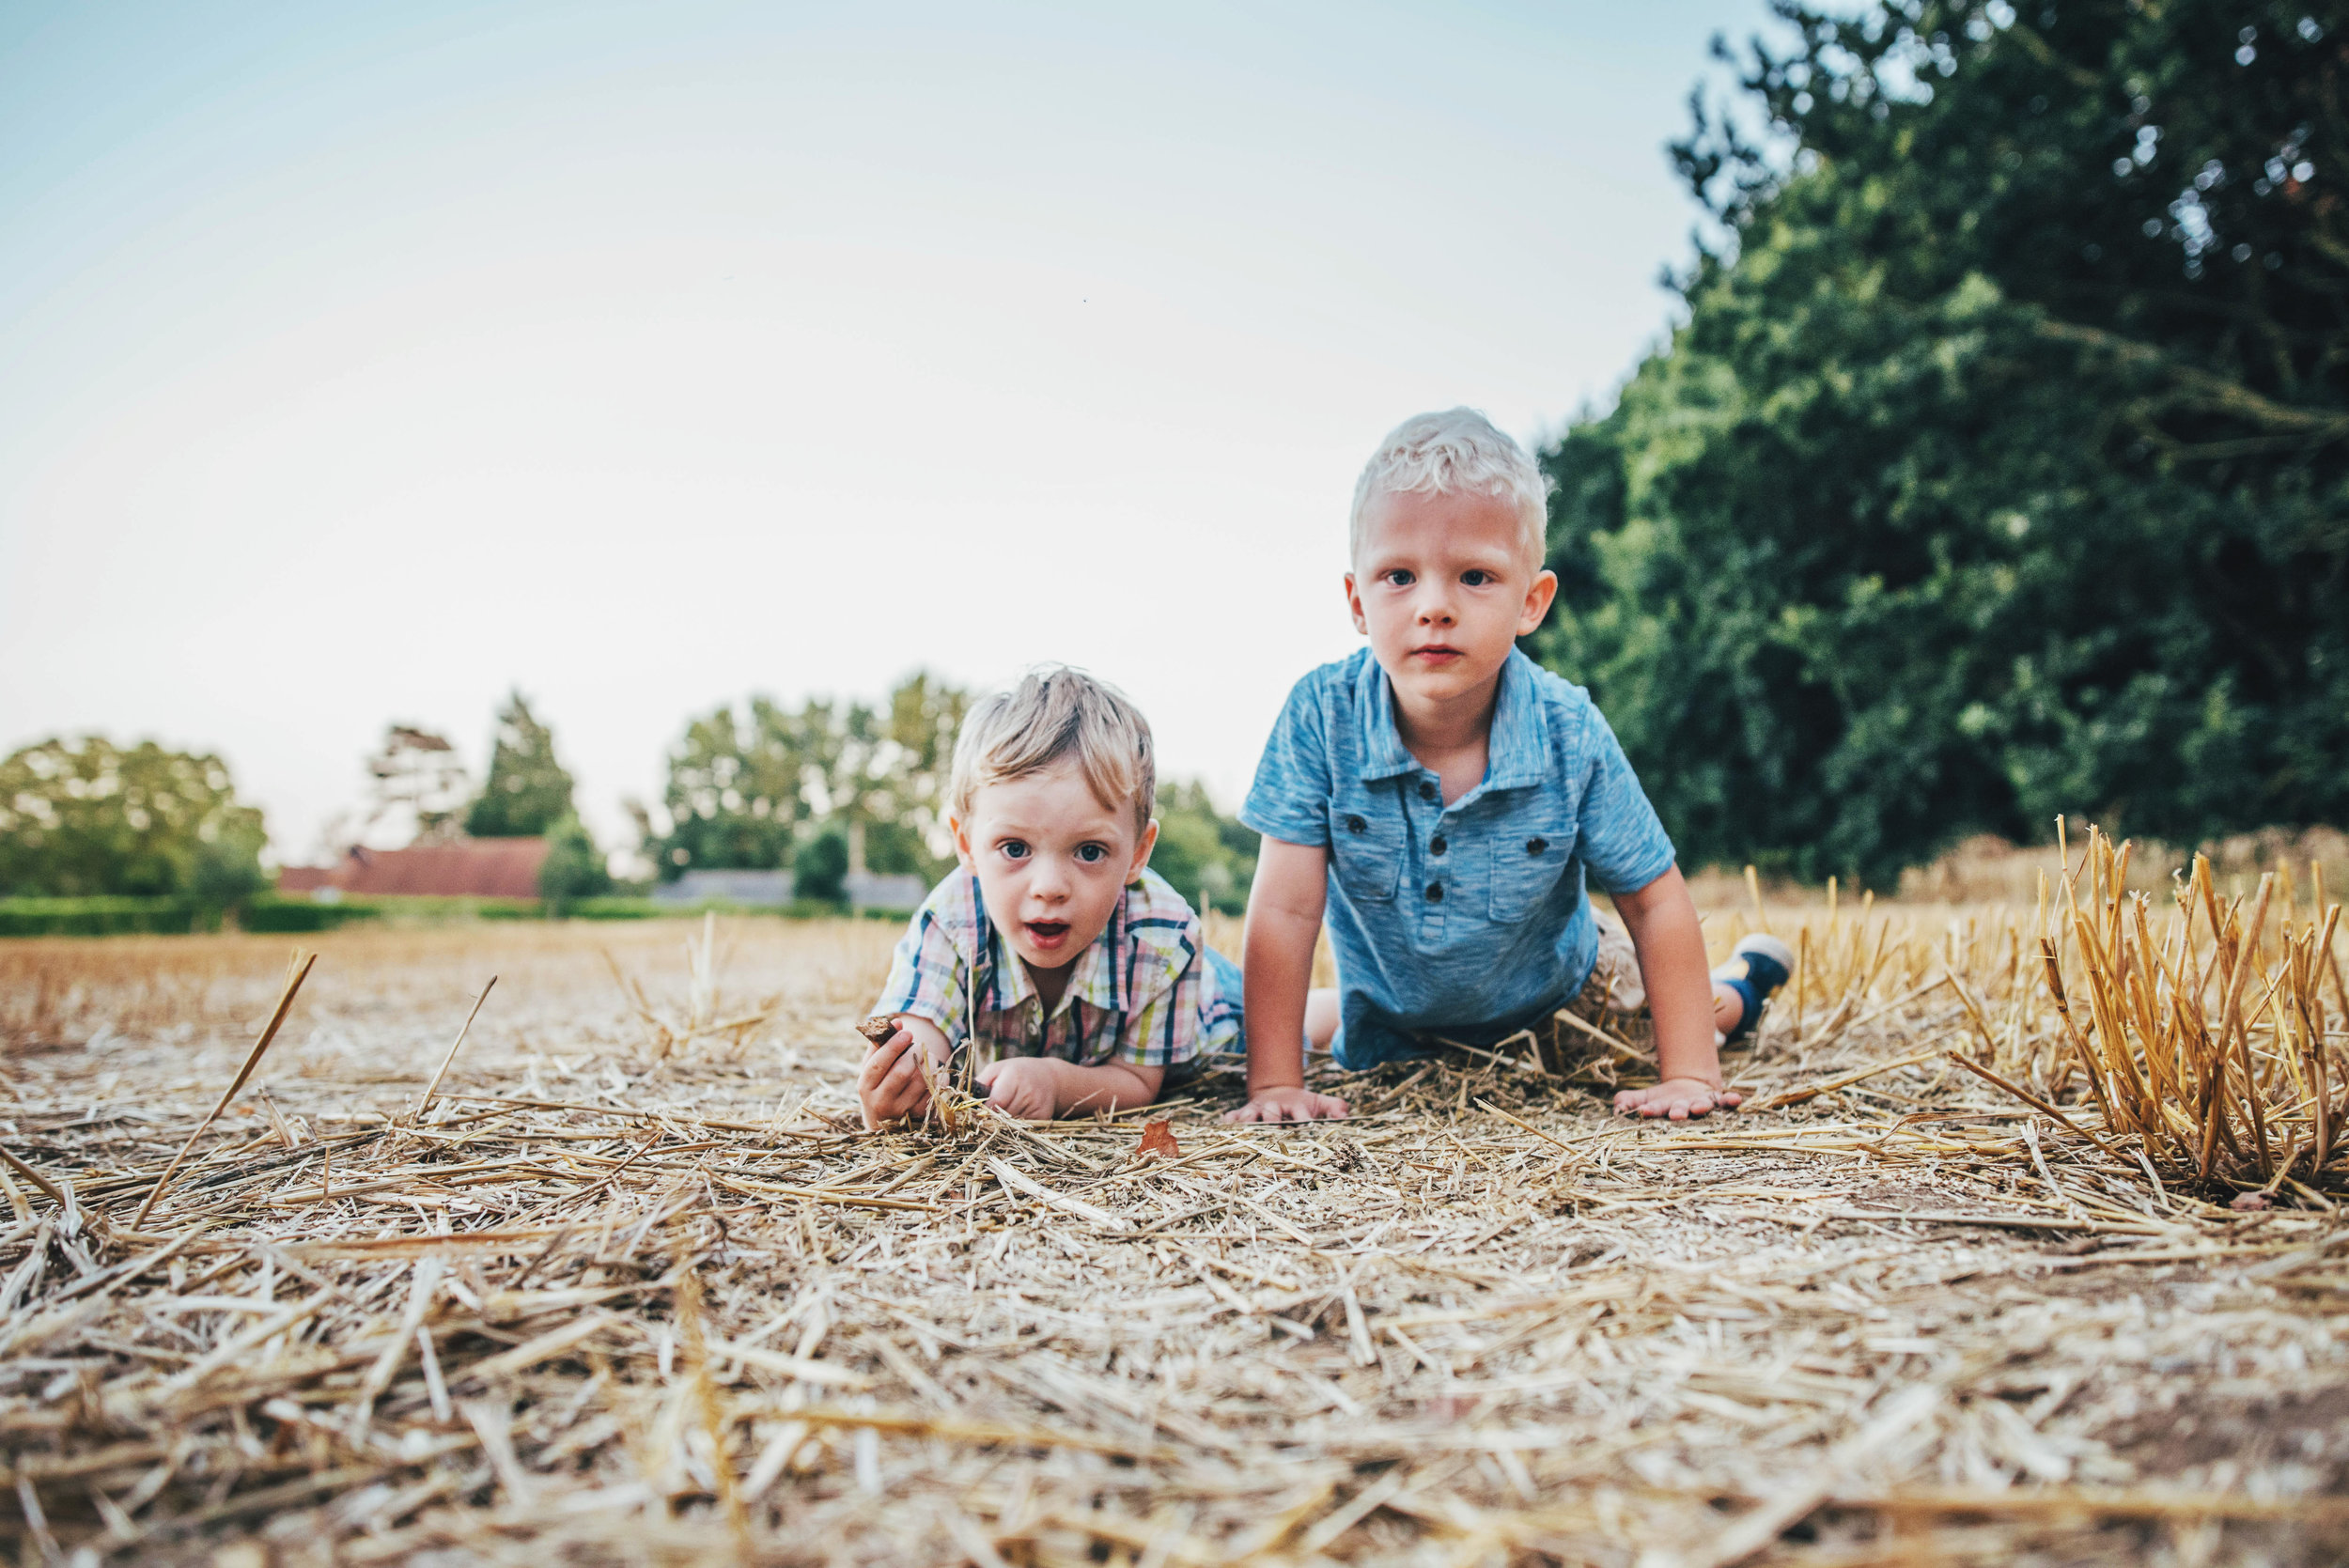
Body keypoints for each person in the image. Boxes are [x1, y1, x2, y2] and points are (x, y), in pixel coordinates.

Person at [1227, 409, 1790, 1125]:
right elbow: (1284, 908)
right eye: (1399, 576)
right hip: (1395, 1029)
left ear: (1531, 601)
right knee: (1319, 1025)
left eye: (1474, 576)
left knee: (1695, 1013)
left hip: (1562, 1003)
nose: (1434, 606)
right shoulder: (1319, 716)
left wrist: (1687, 1073)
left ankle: (1744, 981)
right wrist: (1274, 1082)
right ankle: (1336, 1016)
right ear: (1357, 601)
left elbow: (1654, 901)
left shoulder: (1568, 729)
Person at [857, 666, 1235, 1127]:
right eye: (1015, 849)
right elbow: (921, 1032)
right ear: (965, 844)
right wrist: (906, 1086)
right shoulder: (950, 921)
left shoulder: (1166, 940)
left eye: (1090, 851)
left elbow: (1138, 1081)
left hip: (1208, 1007)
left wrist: (1054, 1084)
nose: (1049, 886)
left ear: (1138, 853)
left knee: (1281, 1027)